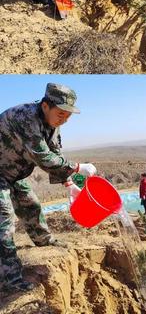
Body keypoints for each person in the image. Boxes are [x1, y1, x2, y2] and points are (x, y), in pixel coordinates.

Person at [0, 83, 97, 294]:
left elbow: (55, 152)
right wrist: (78, 168)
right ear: (45, 106)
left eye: (69, 115)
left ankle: (43, 240)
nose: (65, 119)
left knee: (31, 205)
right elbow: (43, 156)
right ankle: (10, 279)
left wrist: (69, 184)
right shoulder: (24, 117)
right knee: (4, 221)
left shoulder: (53, 121)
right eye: (61, 113)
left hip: (14, 173)